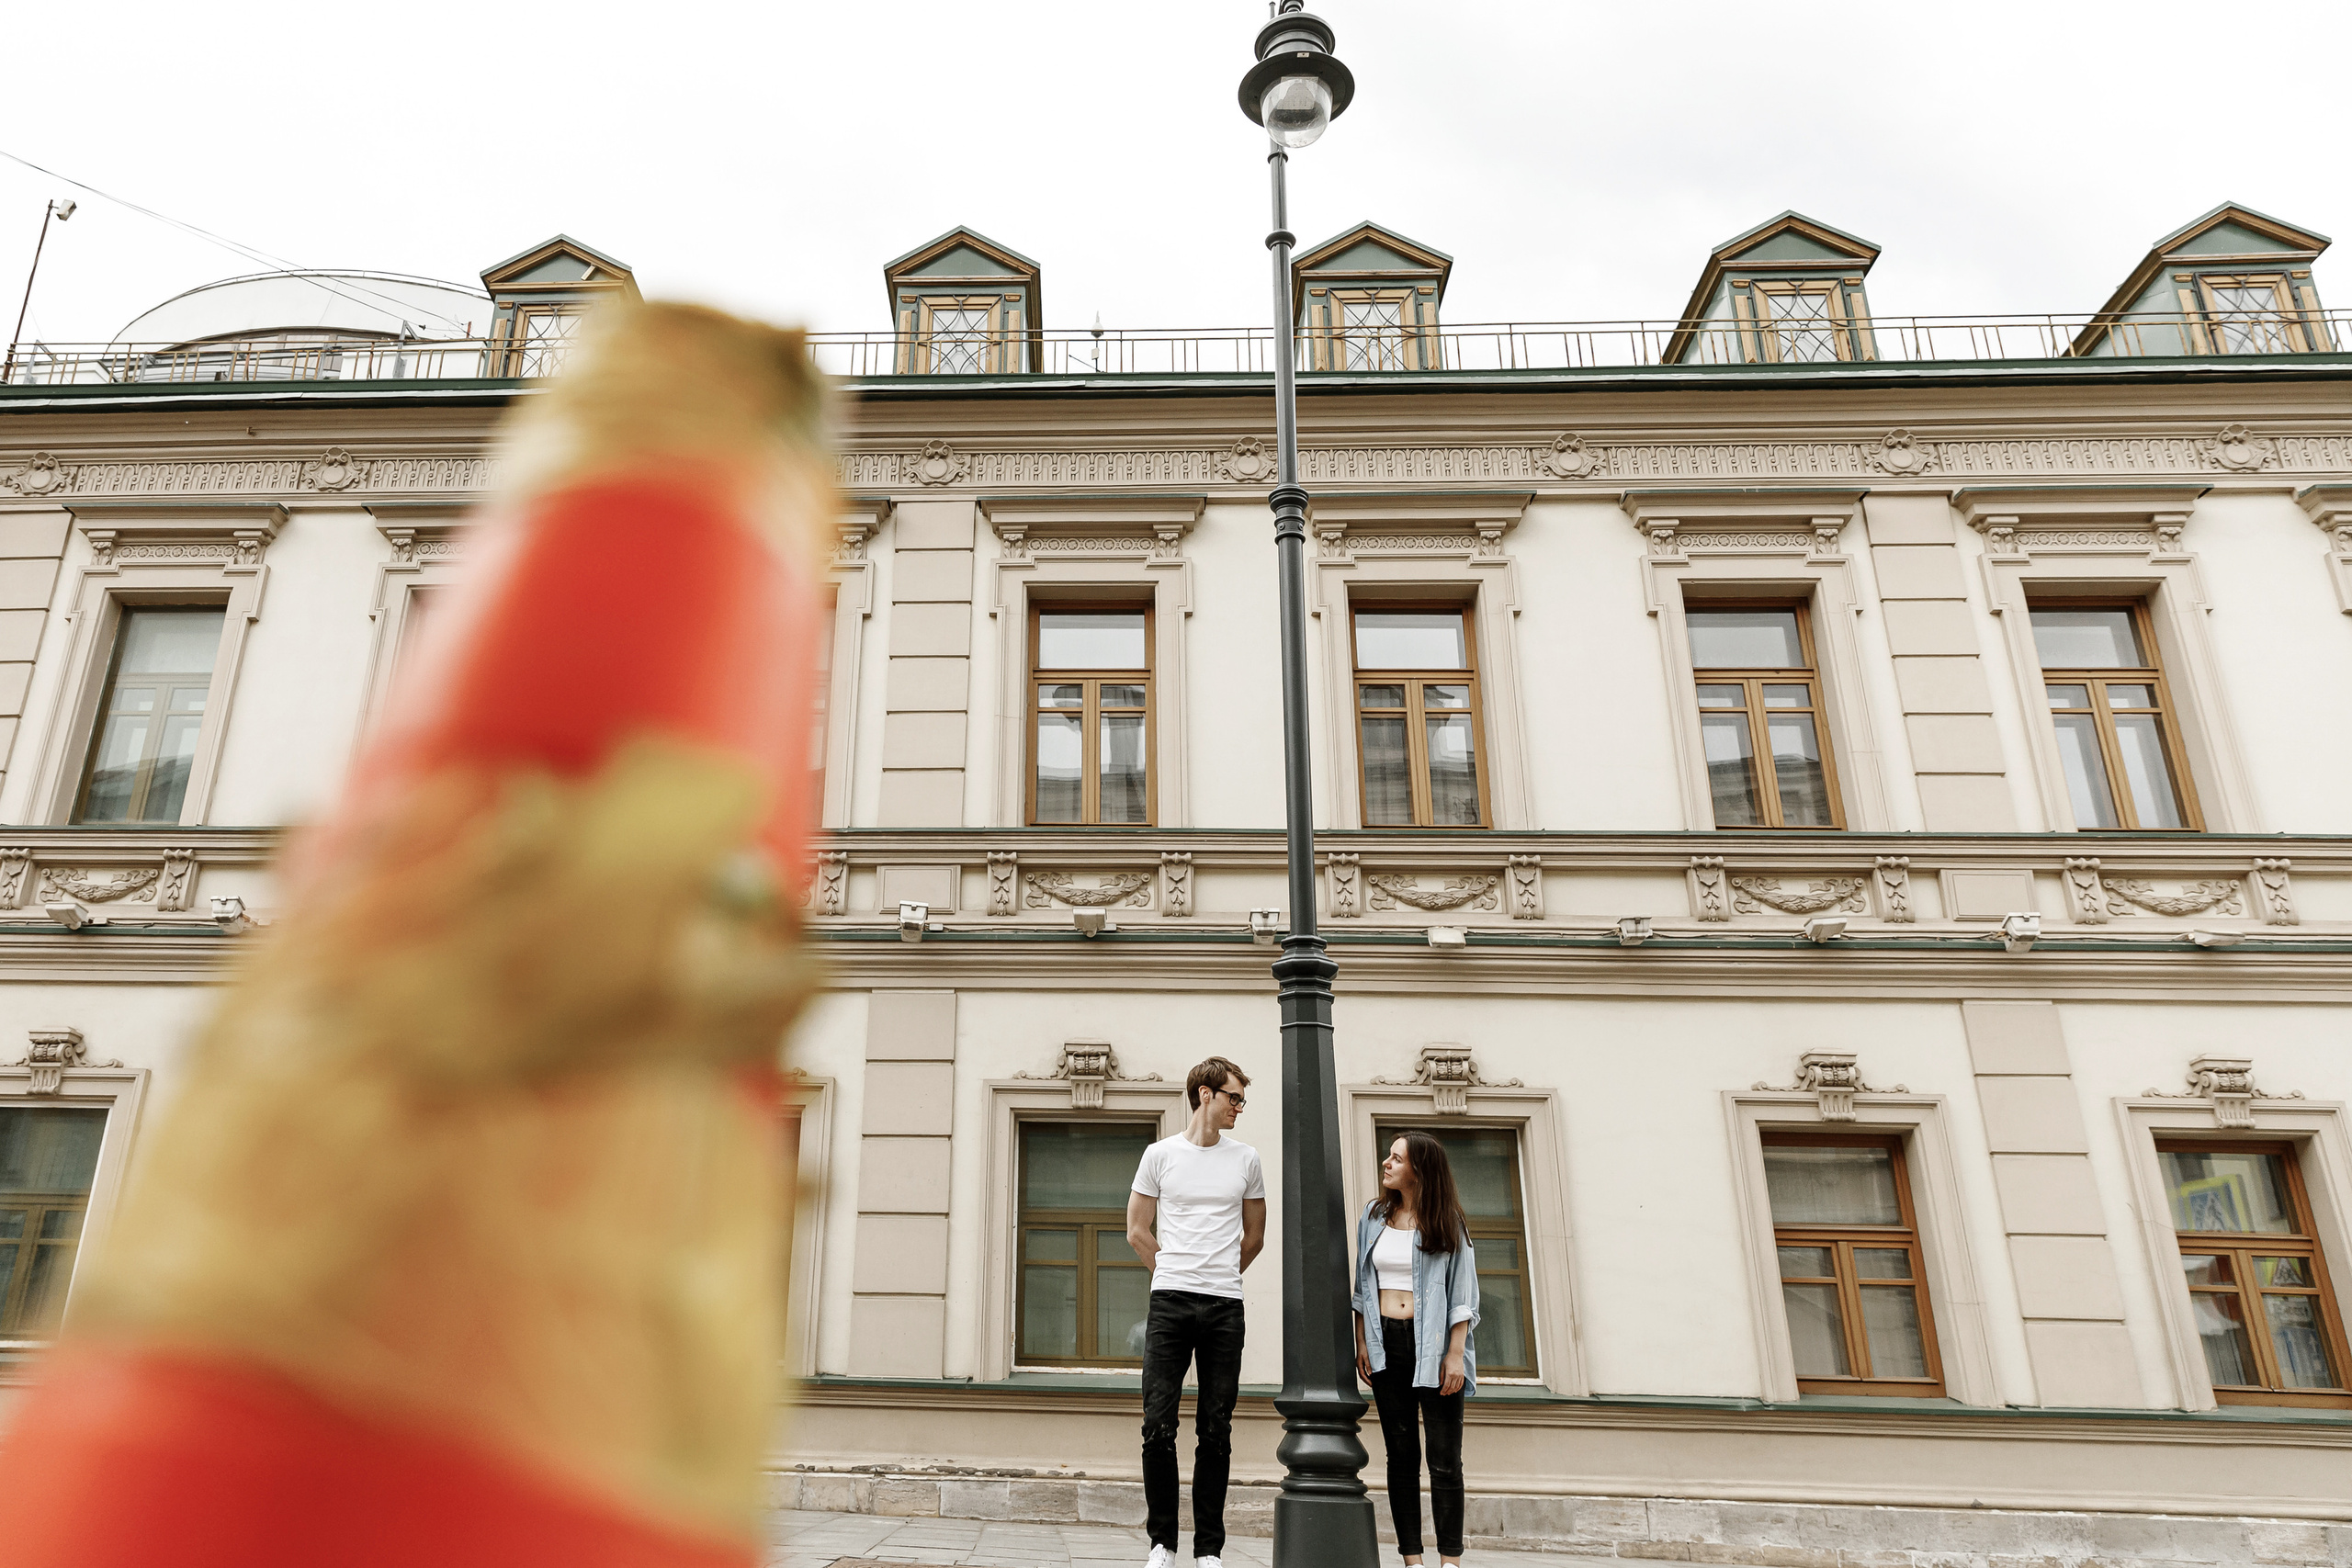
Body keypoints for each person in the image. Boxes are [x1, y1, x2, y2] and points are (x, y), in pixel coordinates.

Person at [1127, 1057, 1265, 1568]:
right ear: (1206, 1095)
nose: (1239, 1108)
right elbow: (1137, 1230)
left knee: (1216, 1427)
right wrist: (1173, 1273)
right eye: (1234, 1098)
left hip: (1225, 1307)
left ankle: (1209, 1550)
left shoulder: (1246, 1159)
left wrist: (1220, 1272)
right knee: (1157, 1424)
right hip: (1169, 1303)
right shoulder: (1159, 1155)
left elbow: (1255, 1237)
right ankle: (1162, 1543)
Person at [1353, 1131, 1479, 1568]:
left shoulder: (1448, 1221)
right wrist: (1364, 1342)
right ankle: (1412, 1559)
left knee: (1445, 1460)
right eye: (1388, 1156)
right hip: (1386, 1346)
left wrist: (1455, 1353)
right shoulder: (1373, 1216)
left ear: (1419, 1170)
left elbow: (1463, 1293)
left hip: (1436, 1347)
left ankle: (1450, 1561)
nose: (1386, 1164)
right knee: (1401, 1456)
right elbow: (1361, 1288)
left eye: (1396, 1158)